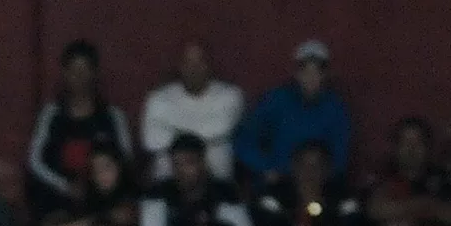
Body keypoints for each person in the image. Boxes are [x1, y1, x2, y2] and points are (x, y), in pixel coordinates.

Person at [26, 40, 134, 216]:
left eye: (84, 70)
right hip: (58, 200)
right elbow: (35, 161)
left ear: (94, 73)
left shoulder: (113, 116)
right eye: (74, 71)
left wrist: (97, 186)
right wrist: (64, 186)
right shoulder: (51, 114)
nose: (79, 77)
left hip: (104, 201)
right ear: (65, 73)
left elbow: (126, 159)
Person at [233, 40, 350, 182]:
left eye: (317, 72)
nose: (311, 78)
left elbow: (340, 156)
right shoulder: (275, 101)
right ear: (296, 73)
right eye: (305, 71)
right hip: (278, 182)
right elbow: (244, 140)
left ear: (325, 75)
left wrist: (324, 178)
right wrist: (265, 168)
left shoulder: (335, 109)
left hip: (319, 185)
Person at [141, 41, 245, 180]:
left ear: (210, 65)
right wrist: (207, 139)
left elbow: (220, 128)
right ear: (179, 65)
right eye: (187, 62)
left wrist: (175, 132)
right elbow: (151, 142)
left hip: (218, 183)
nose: (193, 69)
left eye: (200, 62)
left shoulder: (230, 96)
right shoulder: (158, 99)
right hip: (167, 184)